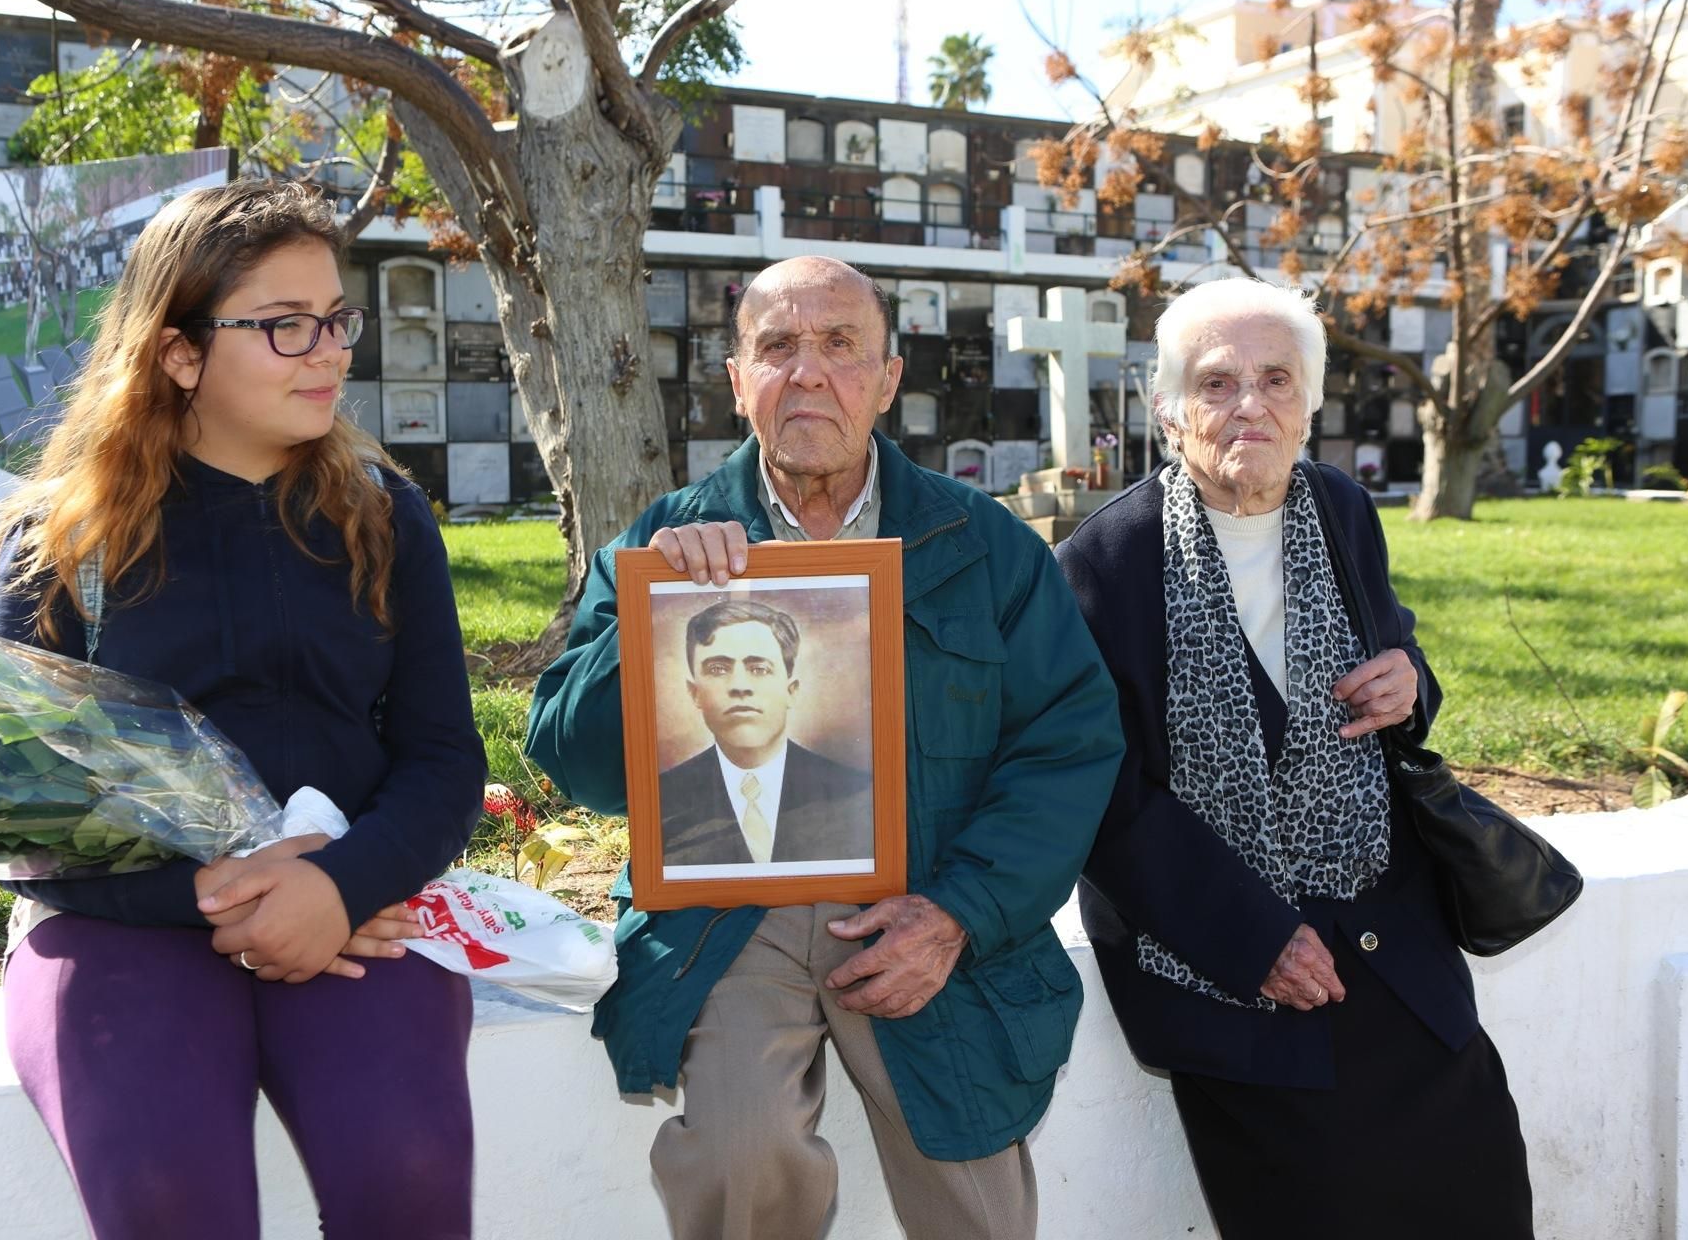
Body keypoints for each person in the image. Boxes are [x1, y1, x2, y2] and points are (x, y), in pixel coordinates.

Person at [527, 255, 1124, 1239]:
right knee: (738, 1154)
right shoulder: (665, 539)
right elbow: (578, 761)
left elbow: (1066, 746)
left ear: (887, 379)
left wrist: (958, 911)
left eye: (841, 344)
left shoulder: (985, 546)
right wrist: (655, 612)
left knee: (977, 1201)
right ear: (737, 380)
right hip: (730, 914)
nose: (808, 371)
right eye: (778, 346)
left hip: (923, 896)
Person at [0, 180, 486, 1240]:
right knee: (171, 1199)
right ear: (179, 352)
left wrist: (339, 884)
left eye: (334, 318)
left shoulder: (383, 514)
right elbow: (15, 804)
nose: (330, 351)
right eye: (285, 325)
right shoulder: (60, 536)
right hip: (118, 917)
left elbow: (442, 755)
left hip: (353, 907)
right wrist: (220, 896)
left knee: (410, 1170)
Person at [1055, 276, 1533, 1239]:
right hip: (1229, 973)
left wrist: (1409, 685)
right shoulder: (1105, 562)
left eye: (1277, 379)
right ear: (1169, 410)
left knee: (1480, 1189)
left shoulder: (1343, 510)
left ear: (1309, 405)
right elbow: (1104, 798)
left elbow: (1397, 661)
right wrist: (1252, 941)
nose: (1249, 405)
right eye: (1218, 381)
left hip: (1393, 948)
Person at [659, 598, 872, 867]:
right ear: (694, 693)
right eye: (718, 668)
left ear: (790, 690)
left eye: (759, 668)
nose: (739, 686)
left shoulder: (854, 793)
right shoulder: (662, 797)